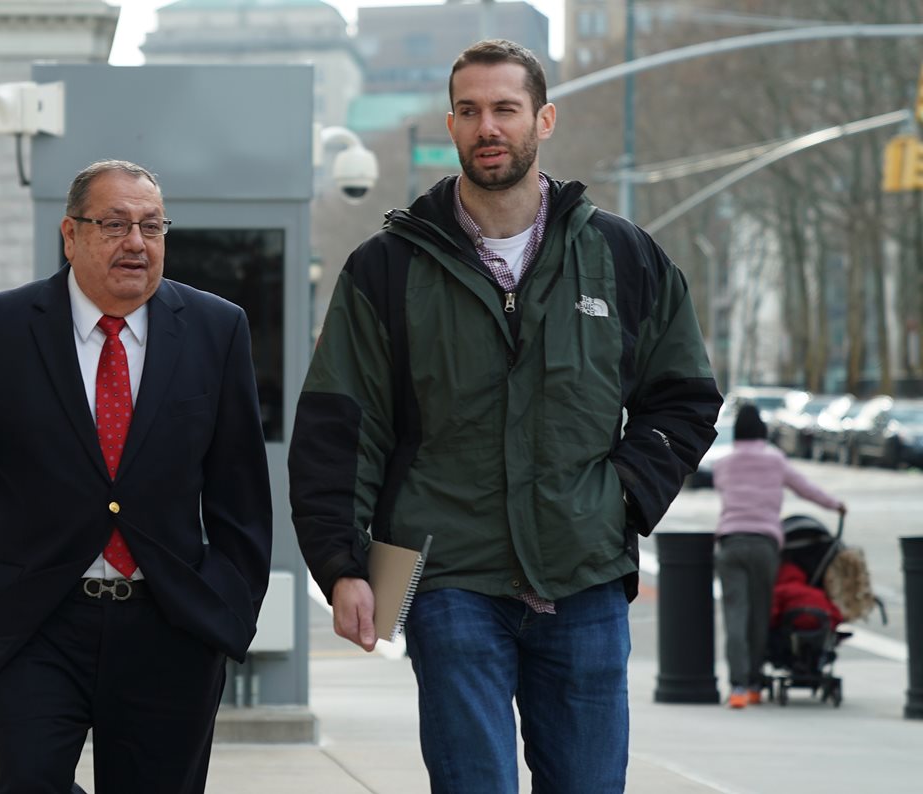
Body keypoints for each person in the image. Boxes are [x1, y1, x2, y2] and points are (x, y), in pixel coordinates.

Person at [289, 39, 721, 794]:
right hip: (449, 575)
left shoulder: (624, 258)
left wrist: (621, 497)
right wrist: (341, 566)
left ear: (543, 120)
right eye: (469, 111)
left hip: (584, 578)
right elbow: (339, 427)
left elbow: (684, 397)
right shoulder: (388, 268)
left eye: (505, 109)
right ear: (452, 126)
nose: (487, 125)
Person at [0, 159, 272, 793]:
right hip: (41, 616)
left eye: (152, 226)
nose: (136, 243)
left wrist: (225, 606)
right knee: (30, 779)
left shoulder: (216, 328)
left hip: (170, 624)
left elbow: (241, 488)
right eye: (115, 224)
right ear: (70, 234)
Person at [712, 403, 845, 709]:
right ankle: (756, 683)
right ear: (762, 430)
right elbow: (805, 488)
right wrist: (835, 505)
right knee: (760, 615)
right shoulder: (775, 460)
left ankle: (737, 687)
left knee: (735, 615)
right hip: (764, 545)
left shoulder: (723, 463)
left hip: (731, 543)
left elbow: (723, 488)